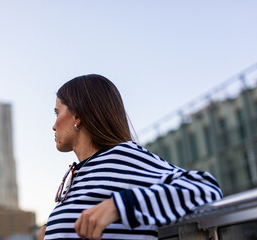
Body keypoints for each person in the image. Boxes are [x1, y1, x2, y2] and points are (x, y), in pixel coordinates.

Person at [38, 74, 222, 240]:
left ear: (77, 116)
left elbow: (205, 188)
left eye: (57, 112)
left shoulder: (121, 156)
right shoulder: (81, 173)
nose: (53, 125)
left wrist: (120, 205)